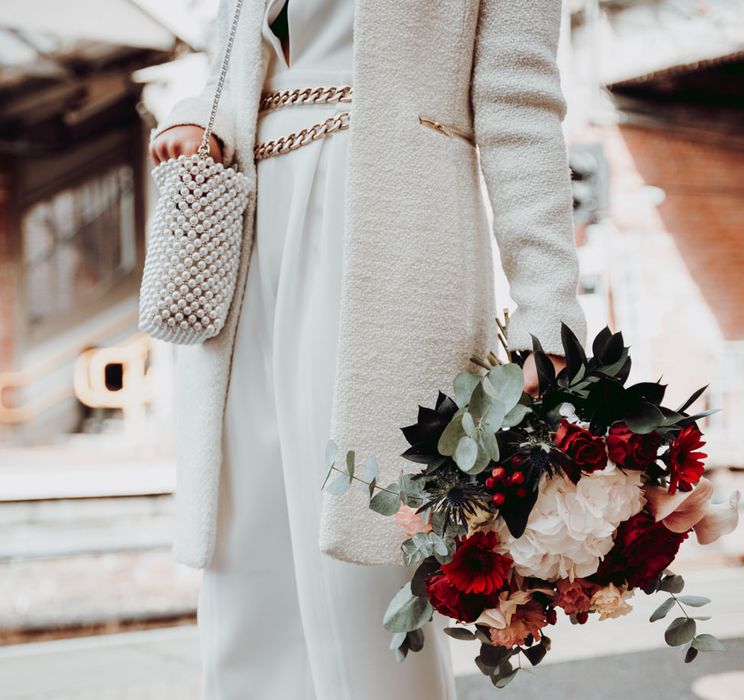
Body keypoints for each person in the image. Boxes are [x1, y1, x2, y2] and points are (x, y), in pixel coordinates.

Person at [148, 0, 584, 697]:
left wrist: (550, 308)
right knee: (248, 553)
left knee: (363, 562)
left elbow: (519, 100)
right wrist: (198, 109)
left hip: (387, 230)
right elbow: (242, 62)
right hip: (248, 228)